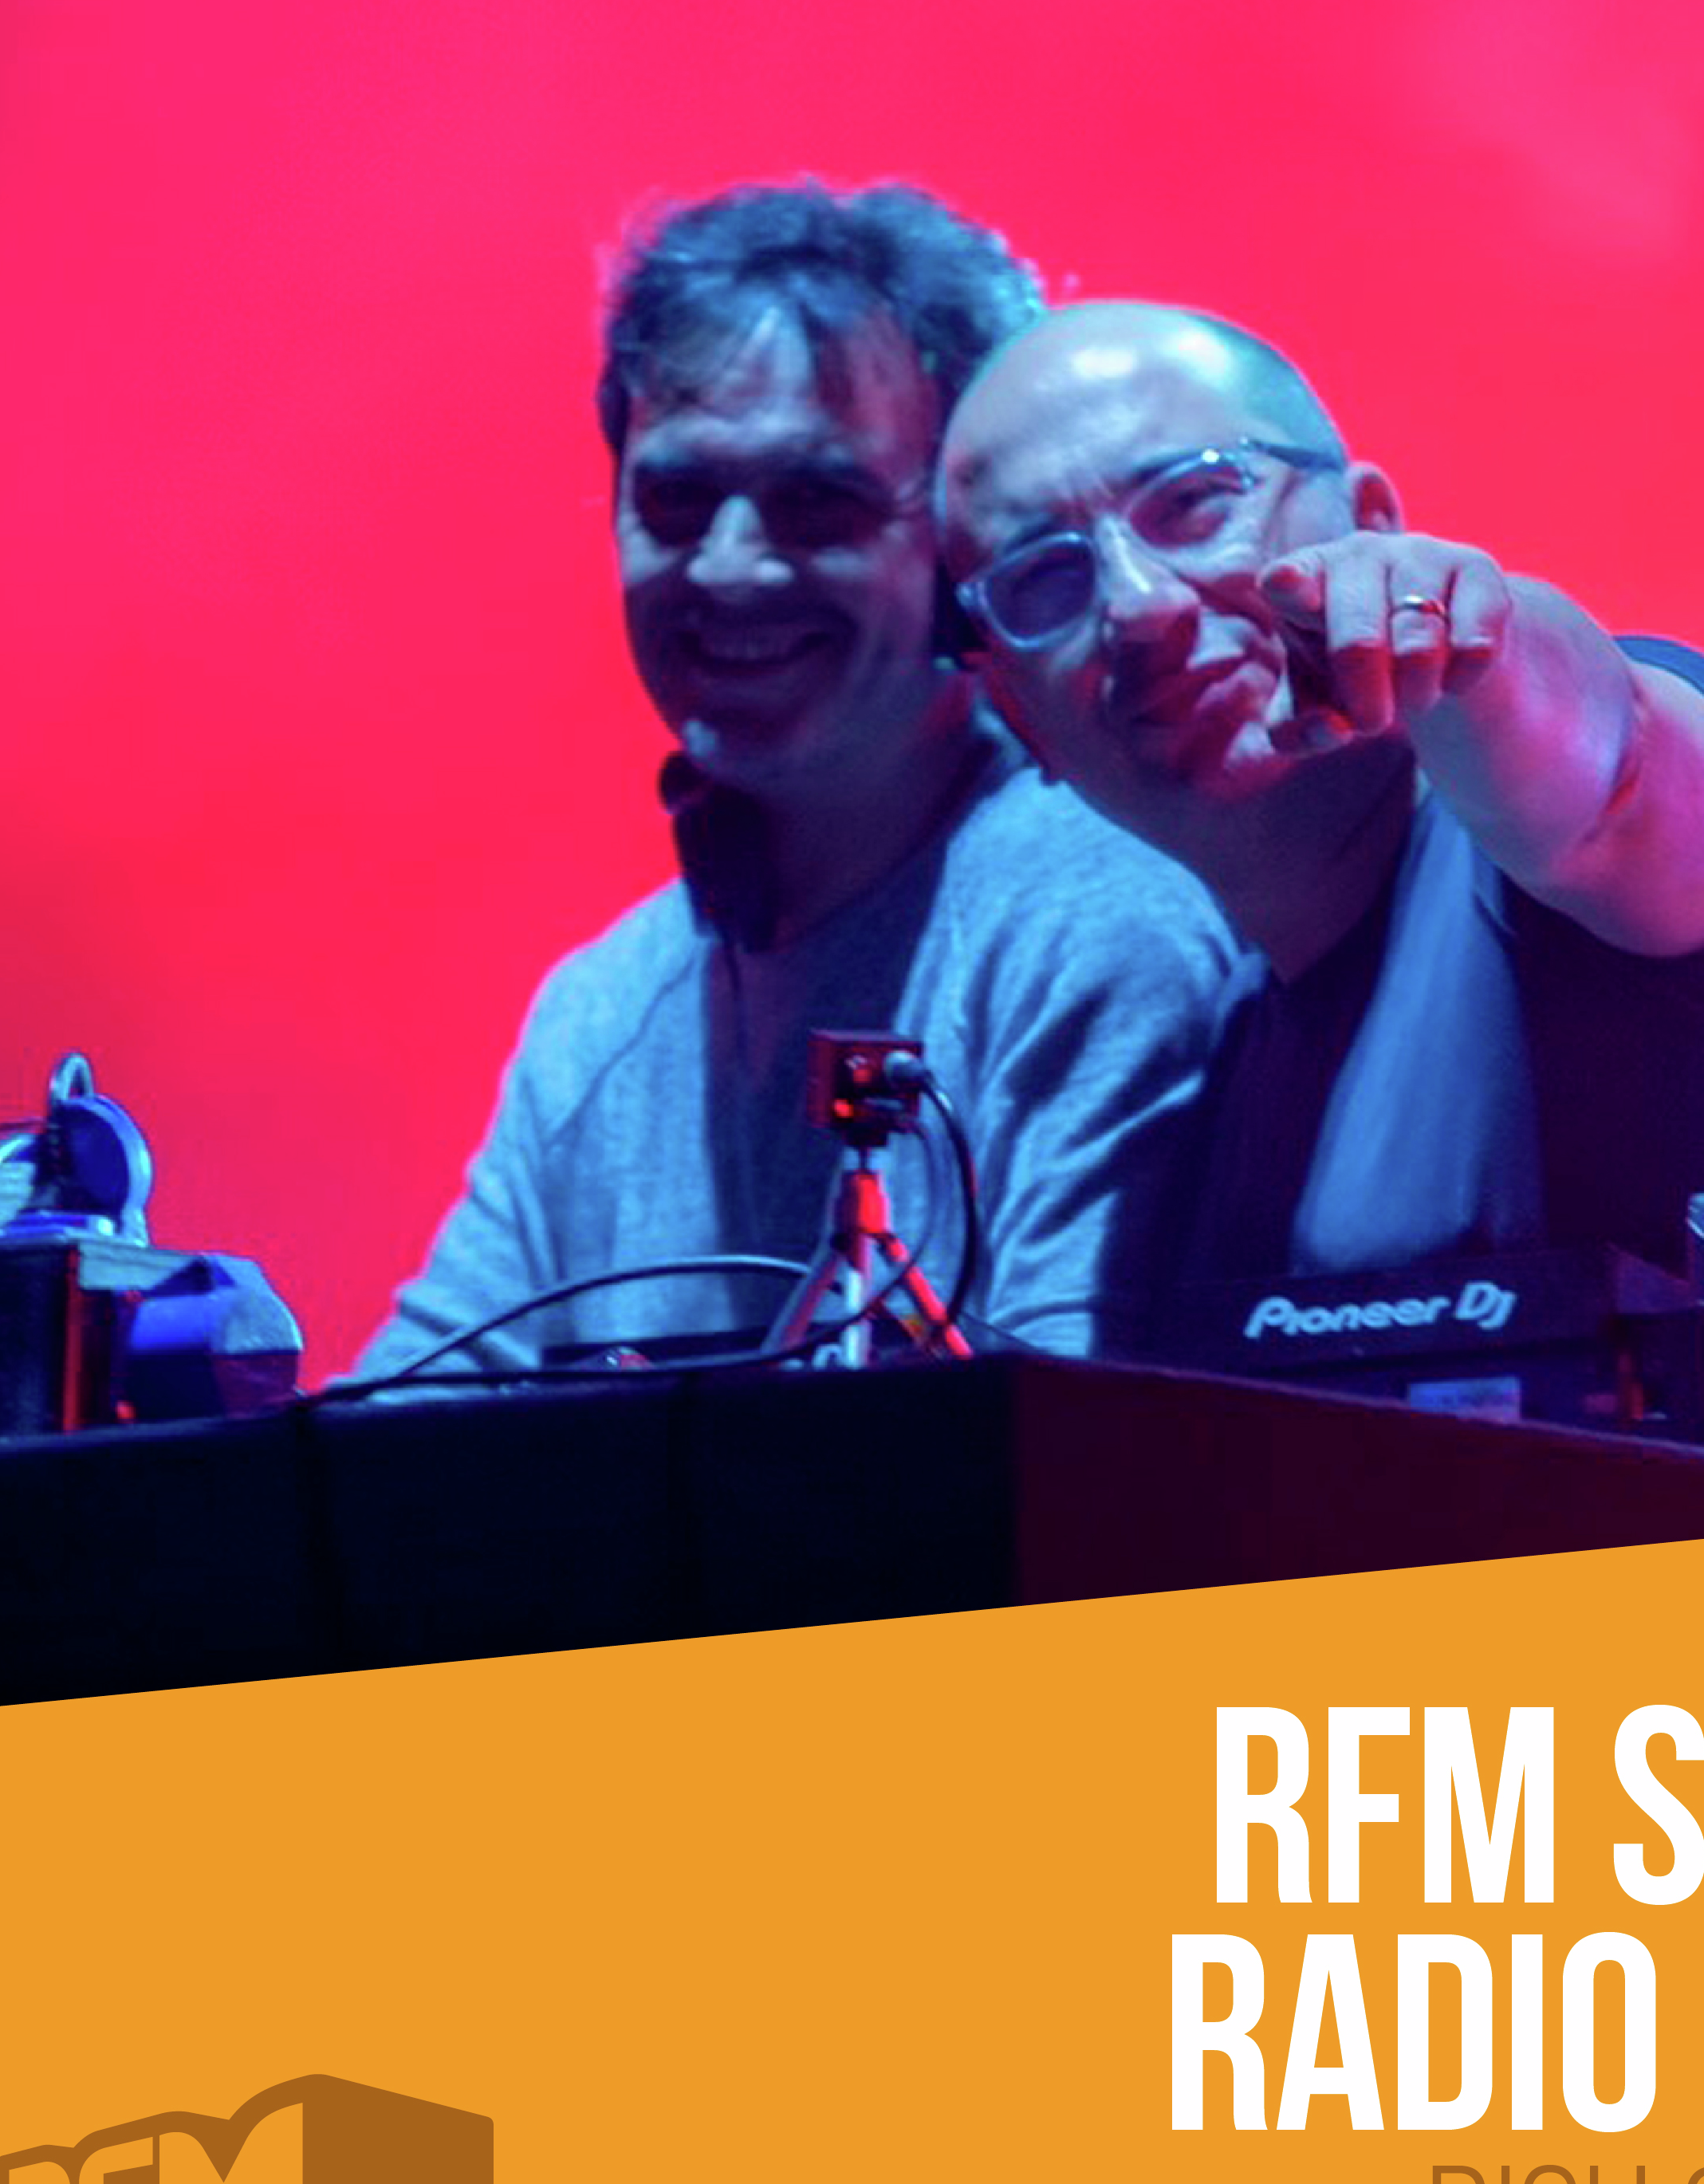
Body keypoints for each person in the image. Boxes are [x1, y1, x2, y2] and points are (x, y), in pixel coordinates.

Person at [936, 303, 1704, 1348]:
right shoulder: (1230, 1083)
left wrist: (1484, 646)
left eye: (1194, 503)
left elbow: (1610, 779)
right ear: (1017, 716)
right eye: (1045, 581)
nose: (1139, 605)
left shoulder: (1590, 819)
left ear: (1373, 524)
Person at [358, 195, 1231, 1377]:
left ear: (965, 551)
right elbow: (385, 1445)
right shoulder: (602, 1011)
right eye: (677, 502)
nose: (729, 566)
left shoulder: (1095, 921)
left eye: (816, 502)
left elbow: (1071, 1463)